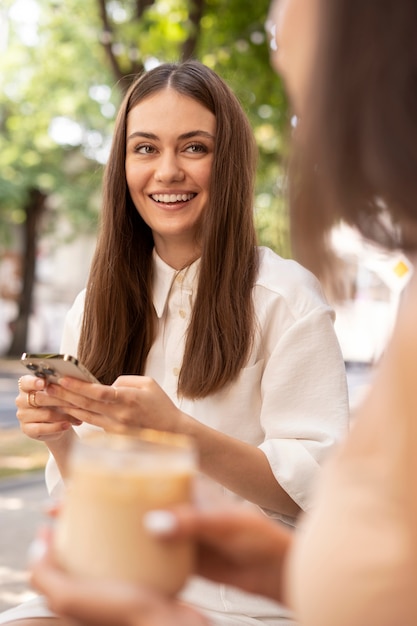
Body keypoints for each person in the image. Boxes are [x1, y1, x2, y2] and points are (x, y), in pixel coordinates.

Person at [27, 0, 417, 624]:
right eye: (145, 148)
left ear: (228, 160)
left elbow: (314, 494)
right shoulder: (91, 306)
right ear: (121, 167)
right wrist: (61, 440)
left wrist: (178, 432)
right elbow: (93, 499)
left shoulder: (287, 298)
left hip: (246, 605)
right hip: (124, 577)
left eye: (195, 147)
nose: (168, 170)